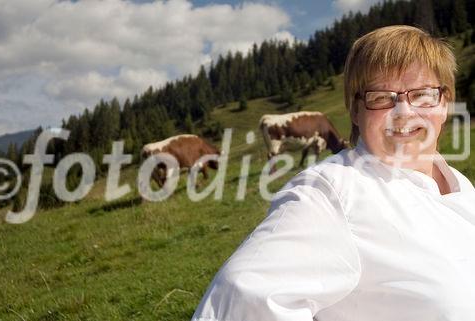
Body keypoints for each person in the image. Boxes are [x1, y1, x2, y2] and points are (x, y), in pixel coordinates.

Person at [190, 25, 475, 321]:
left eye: (422, 94)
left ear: (444, 102)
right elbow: (240, 300)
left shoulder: (460, 186)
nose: (403, 111)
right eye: (380, 97)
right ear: (355, 110)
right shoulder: (333, 192)